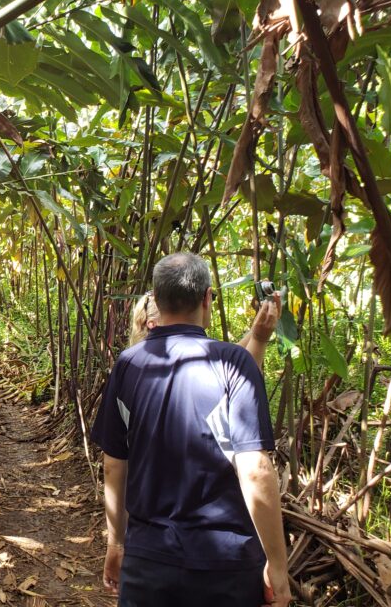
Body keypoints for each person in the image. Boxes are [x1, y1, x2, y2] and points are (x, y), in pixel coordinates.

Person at [94, 253, 291, 607]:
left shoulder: (128, 364)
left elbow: (114, 464)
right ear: (207, 298)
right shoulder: (232, 362)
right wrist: (277, 564)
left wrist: (116, 543)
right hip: (225, 566)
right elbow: (256, 469)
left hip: (148, 561)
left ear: (155, 298)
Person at [129, 288, 281, 369]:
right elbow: (242, 376)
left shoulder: (134, 360)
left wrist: (259, 328)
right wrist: (259, 339)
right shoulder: (157, 364)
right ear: (152, 323)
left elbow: (232, 356)